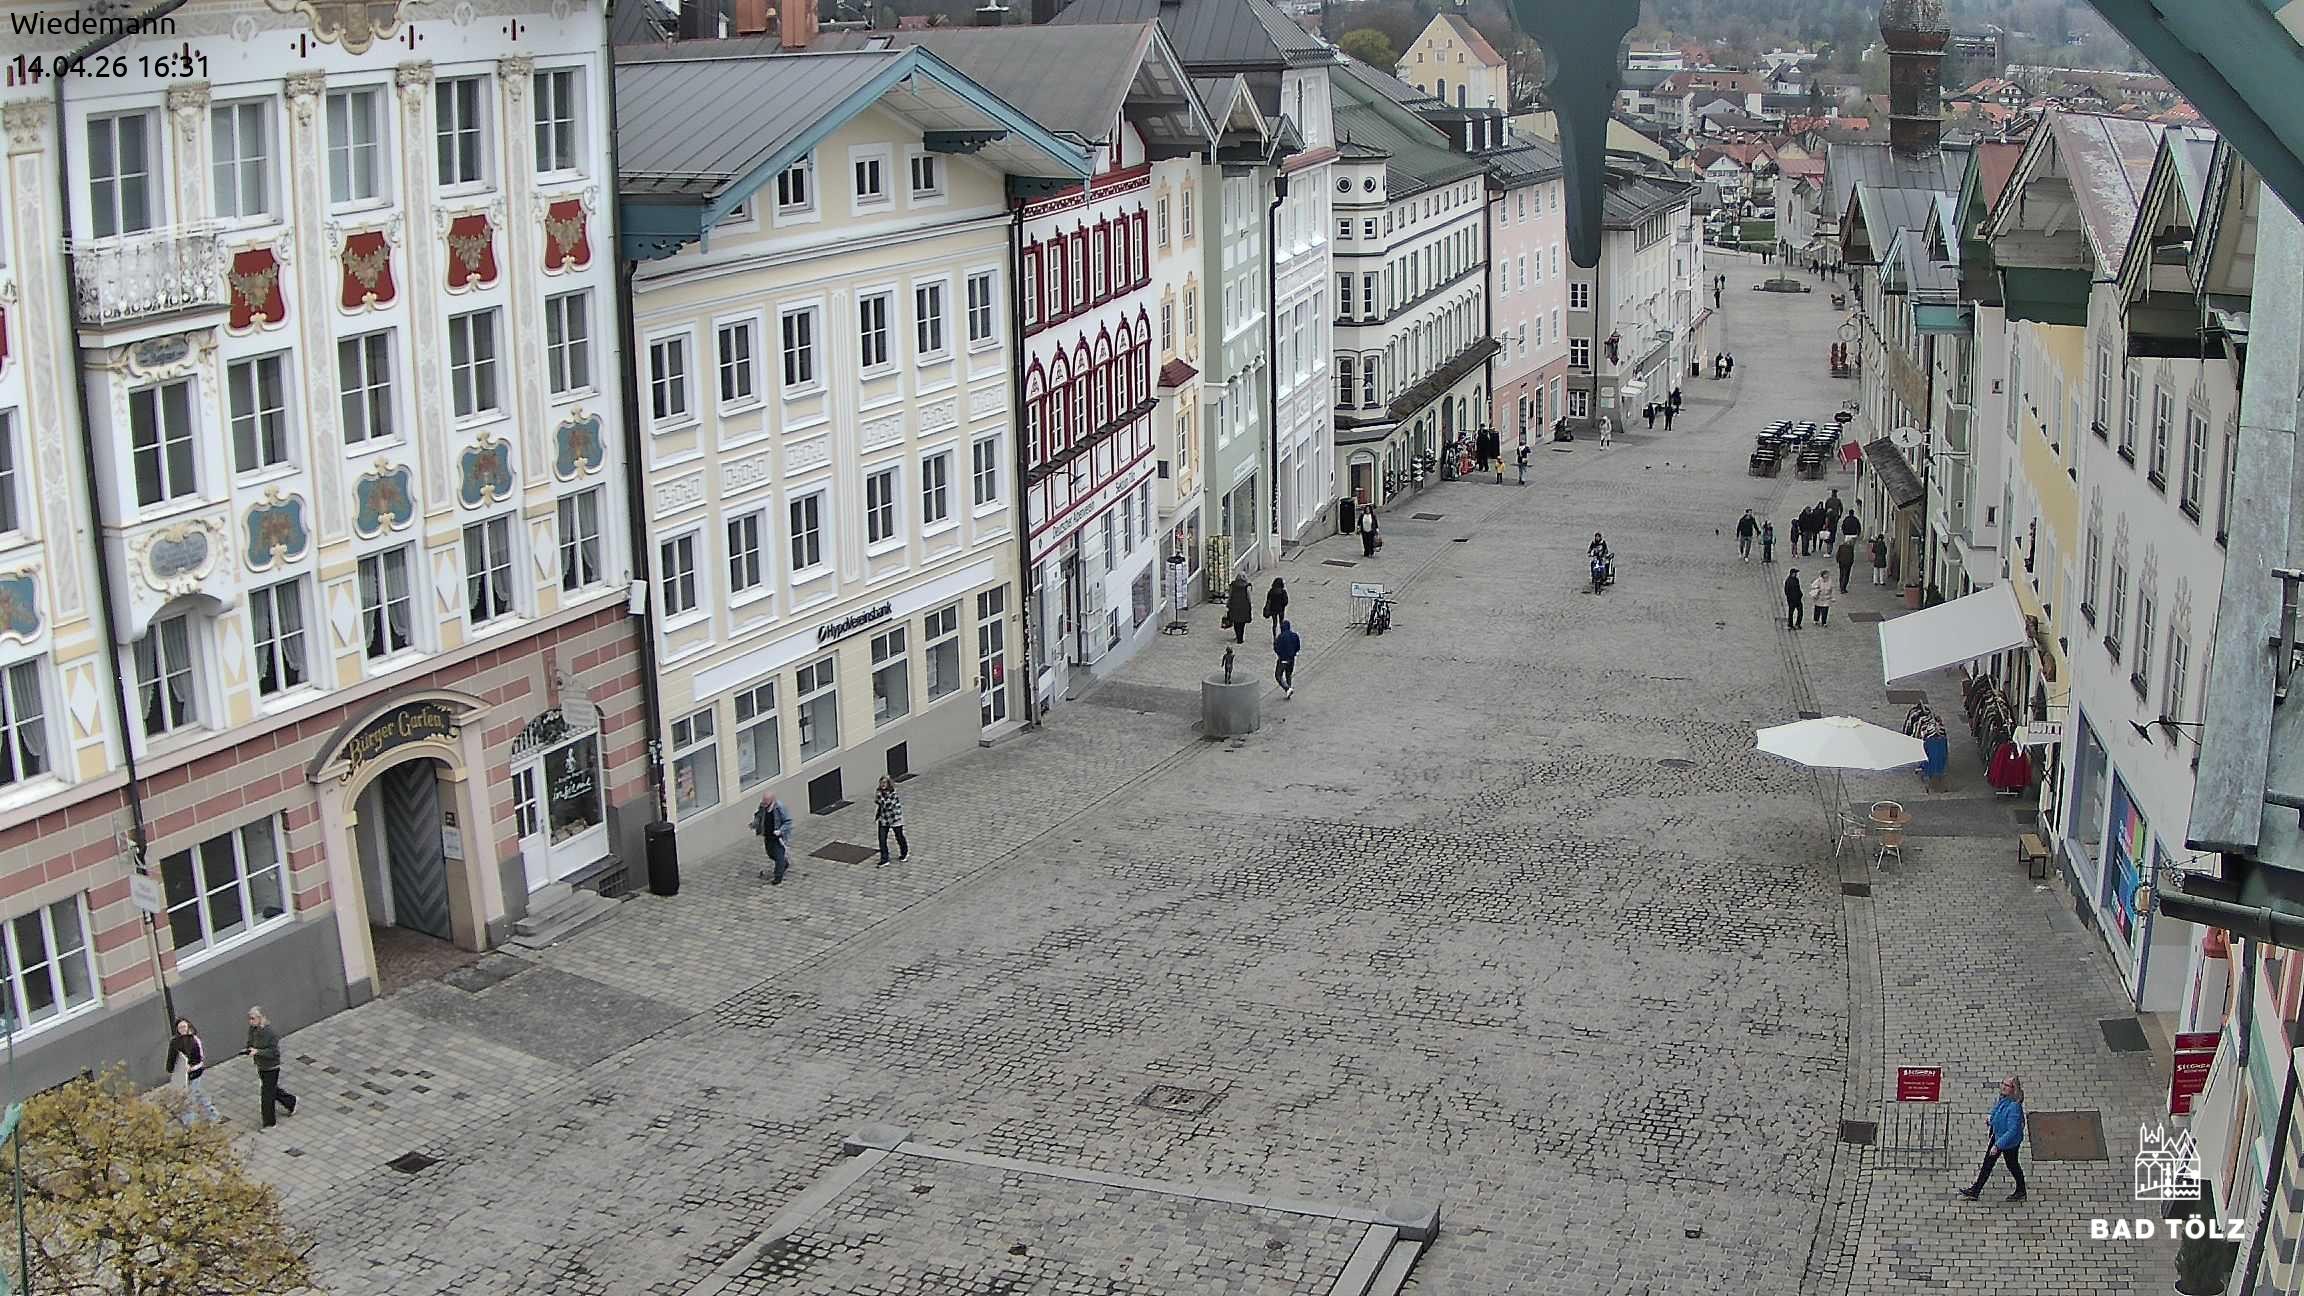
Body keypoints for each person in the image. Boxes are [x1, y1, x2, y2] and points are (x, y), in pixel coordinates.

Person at [1958, 1076, 2028, 1202]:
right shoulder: (2004, 1098)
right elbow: (1997, 1109)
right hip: (1998, 1136)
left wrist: (1998, 1145)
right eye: (2003, 1083)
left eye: (2006, 1085)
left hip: (2008, 1143)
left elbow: (2012, 1131)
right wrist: (1991, 1118)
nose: (2003, 1087)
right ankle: (1975, 1190)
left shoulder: (2014, 1107)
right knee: (1987, 1164)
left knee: (2012, 1165)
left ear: (2013, 1089)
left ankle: (2021, 1190)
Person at [244, 1006, 296, 1128]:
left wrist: (257, 1052)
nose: (250, 1021)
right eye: (249, 1018)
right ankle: (291, 1101)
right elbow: (250, 1042)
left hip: (272, 1067)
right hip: (261, 1066)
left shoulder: (270, 1033)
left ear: (260, 1018)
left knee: (266, 1095)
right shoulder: (253, 1030)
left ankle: (269, 1123)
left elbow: (274, 1053)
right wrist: (248, 1049)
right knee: (272, 1089)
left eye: (252, 1018)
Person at [167, 1017, 221, 1126]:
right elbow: (172, 1058)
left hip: (194, 1075)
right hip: (183, 1076)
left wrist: (192, 1068)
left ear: (188, 1027)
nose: (182, 1029)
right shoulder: (174, 1042)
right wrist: (172, 1069)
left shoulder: (194, 1040)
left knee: (189, 1099)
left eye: (184, 1026)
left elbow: (200, 1060)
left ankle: (189, 1123)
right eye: (180, 1027)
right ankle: (213, 1115)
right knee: (198, 1094)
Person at [753, 790, 794, 884]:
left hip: (778, 837)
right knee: (771, 854)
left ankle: (778, 877)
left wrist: (780, 831)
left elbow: (788, 821)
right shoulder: (762, 806)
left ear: (772, 800)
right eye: (763, 801)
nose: (764, 803)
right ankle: (784, 863)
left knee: (779, 855)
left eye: (766, 801)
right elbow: (758, 815)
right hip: (768, 835)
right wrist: (755, 824)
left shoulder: (780, 807)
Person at [873, 776, 908, 865]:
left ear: (888, 784)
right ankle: (884, 859)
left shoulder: (893, 793)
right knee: (882, 839)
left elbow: (886, 804)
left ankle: (904, 853)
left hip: (895, 818)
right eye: (881, 783)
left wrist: (881, 799)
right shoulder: (879, 792)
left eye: (884, 783)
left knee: (899, 836)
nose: (882, 785)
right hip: (884, 818)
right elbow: (878, 800)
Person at [1273, 618, 1302, 698]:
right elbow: (1298, 647)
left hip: (1283, 659)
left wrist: (1280, 655)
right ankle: (1289, 690)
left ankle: (1287, 688)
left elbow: (1276, 648)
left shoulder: (1280, 637)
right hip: (1291, 659)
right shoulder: (1295, 636)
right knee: (1288, 675)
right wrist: (1293, 653)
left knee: (1278, 675)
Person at [1225, 575, 1252, 645]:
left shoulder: (1233, 586)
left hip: (1234, 605)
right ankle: (1241, 637)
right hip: (1244, 606)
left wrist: (1228, 603)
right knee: (1242, 623)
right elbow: (1248, 597)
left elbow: (1230, 595)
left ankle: (1238, 635)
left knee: (1236, 622)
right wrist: (1249, 604)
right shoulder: (1246, 587)